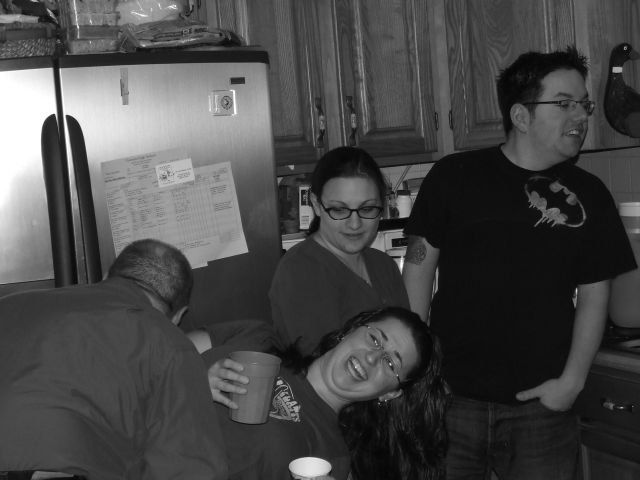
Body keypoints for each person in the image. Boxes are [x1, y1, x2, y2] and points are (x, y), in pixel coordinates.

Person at [402, 46, 638, 479]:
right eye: (564, 104)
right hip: (451, 400)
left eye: (583, 104)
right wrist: (415, 375)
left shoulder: (591, 194)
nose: (581, 116)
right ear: (521, 116)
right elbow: (418, 269)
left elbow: (594, 295)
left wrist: (571, 383)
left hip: (542, 410)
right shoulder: (454, 176)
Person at [0, 239, 228, 480]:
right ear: (179, 316)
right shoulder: (169, 343)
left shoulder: (9, 304)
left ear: (106, 276)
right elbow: (189, 469)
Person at [199, 307, 447, 480]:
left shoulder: (332, 459)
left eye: (390, 364)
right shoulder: (257, 339)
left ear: (389, 394)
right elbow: (173, 350)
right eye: (374, 339)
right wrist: (192, 382)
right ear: (352, 330)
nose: (372, 357)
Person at [269, 146, 410, 355]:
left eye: (367, 209)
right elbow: (322, 365)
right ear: (316, 204)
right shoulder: (299, 271)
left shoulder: (384, 265)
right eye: (339, 210)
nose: (355, 224)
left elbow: (406, 346)